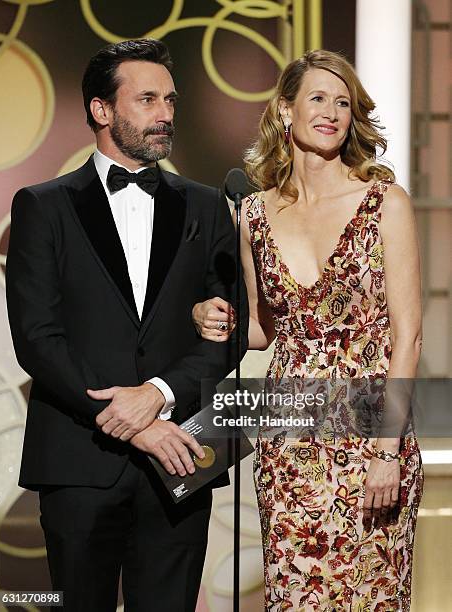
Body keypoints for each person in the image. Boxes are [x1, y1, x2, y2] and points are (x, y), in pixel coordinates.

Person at [6, 39, 247, 612]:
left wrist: (160, 395)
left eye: (170, 99)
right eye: (147, 99)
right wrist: (134, 424)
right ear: (102, 110)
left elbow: (228, 331)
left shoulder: (209, 206)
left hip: (184, 456)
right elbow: (37, 339)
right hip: (79, 460)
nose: (165, 113)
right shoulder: (43, 206)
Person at [192, 50, 423, 610]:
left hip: (373, 436)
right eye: (318, 98)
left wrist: (387, 449)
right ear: (285, 110)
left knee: (373, 594)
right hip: (290, 439)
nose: (332, 112)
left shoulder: (385, 203)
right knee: (297, 596)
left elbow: (408, 335)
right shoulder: (252, 215)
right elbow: (263, 329)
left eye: (343, 102)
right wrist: (206, 319)